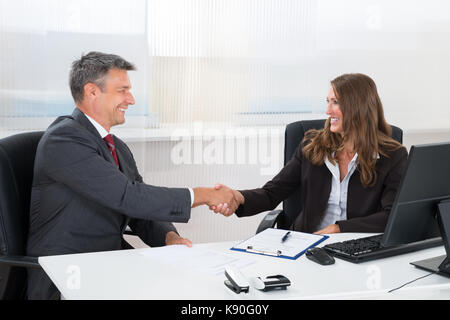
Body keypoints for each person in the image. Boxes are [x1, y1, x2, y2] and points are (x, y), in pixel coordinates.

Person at [26, 51, 237, 299]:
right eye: (122, 90)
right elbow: (130, 197)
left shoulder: (114, 145)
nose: (131, 99)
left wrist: (168, 237)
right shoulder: (64, 140)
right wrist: (205, 195)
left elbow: (139, 206)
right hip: (68, 275)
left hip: (106, 263)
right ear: (92, 91)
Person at [211, 73, 408, 235]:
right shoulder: (313, 145)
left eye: (335, 102)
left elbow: (392, 215)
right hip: (307, 243)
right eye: (328, 102)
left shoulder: (393, 156)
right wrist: (237, 197)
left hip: (358, 245)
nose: (327, 110)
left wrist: (339, 228)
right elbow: (272, 193)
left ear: (359, 107)